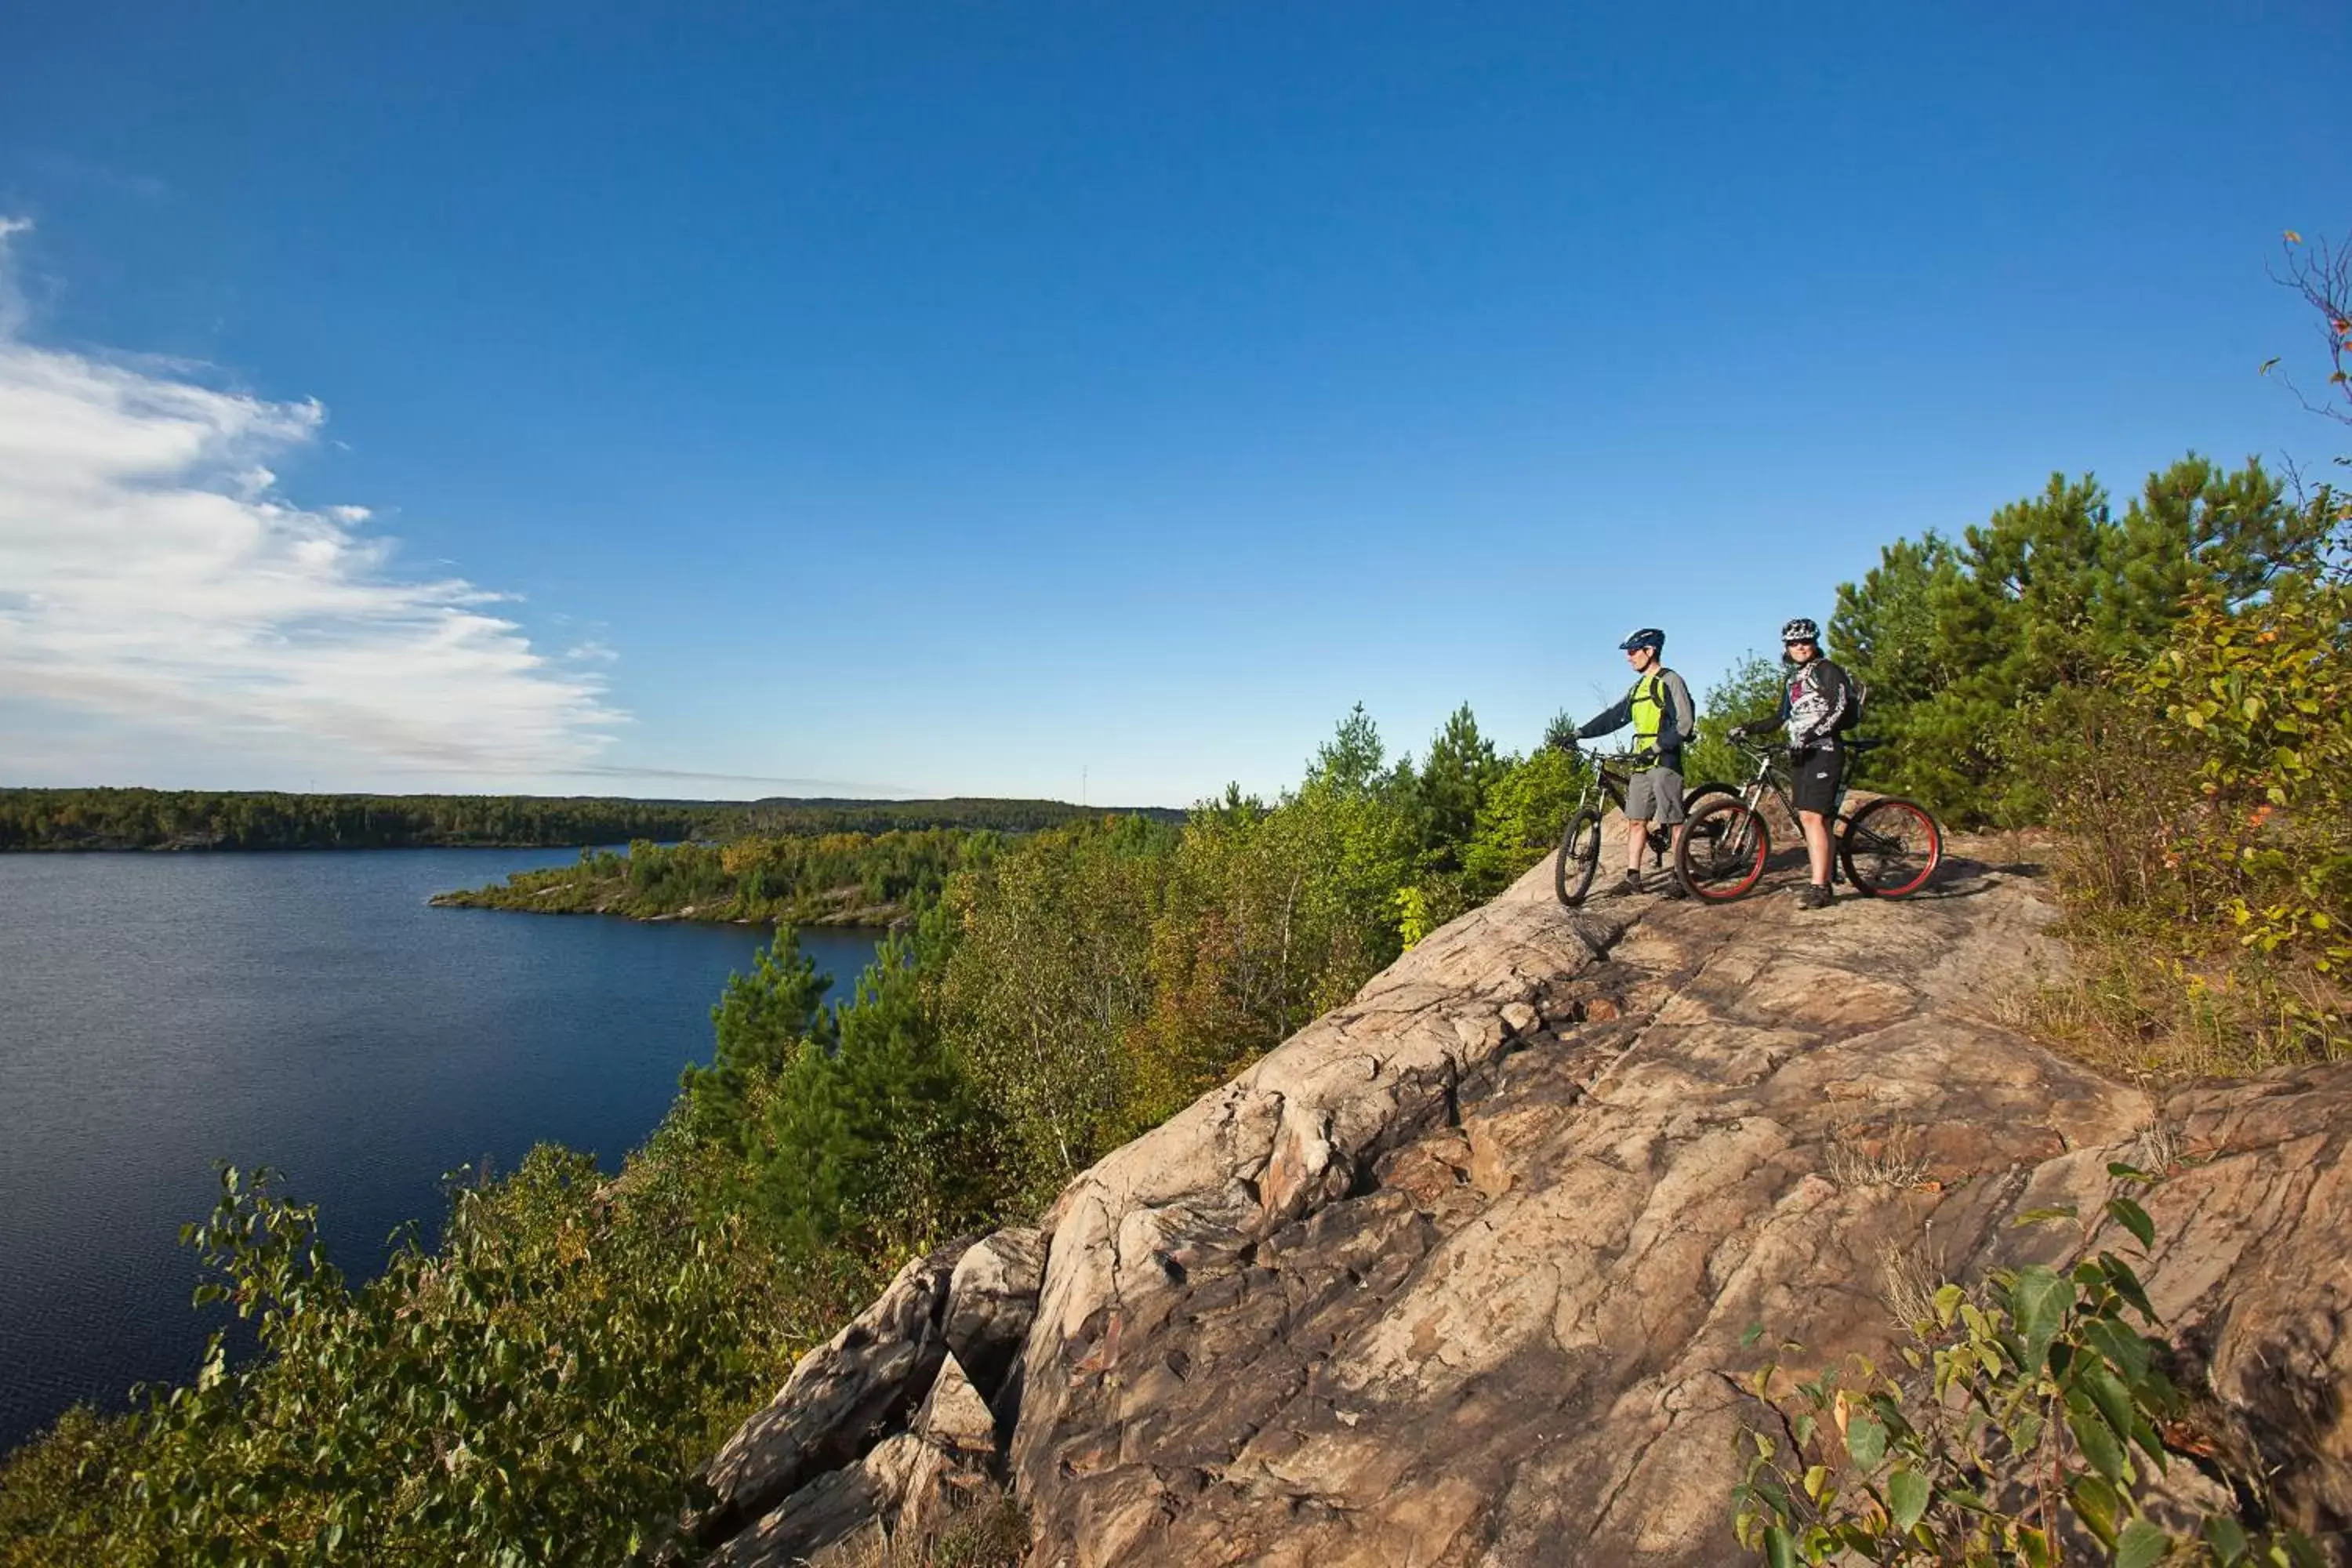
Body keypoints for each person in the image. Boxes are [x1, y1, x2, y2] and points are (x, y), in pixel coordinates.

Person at [1730, 617, 1855, 909]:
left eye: (1806, 641)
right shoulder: (1792, 680)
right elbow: (1780, 718)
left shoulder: (1827, 669)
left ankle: (1820, 887)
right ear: (1786, 647)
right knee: (1812, 818)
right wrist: (1746, 727)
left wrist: (1811, 734)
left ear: (1815, 642)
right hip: (1801, 752)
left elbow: (1839, 707)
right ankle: (1825, 874)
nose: (1800, 647)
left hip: (1824, 749)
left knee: (1813, 817)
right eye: (1794, 643)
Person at [1572, 627, 1697, 897]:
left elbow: (1685, 725)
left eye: (1632, 652)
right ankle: (1633, 878)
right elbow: (1614, 717)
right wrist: (1579, 733)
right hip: (1641, 763)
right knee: (1636, 820)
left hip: (1664, 761)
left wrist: (1656, 747)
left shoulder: (1670, 680)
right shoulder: (1639, 687)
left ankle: (1680, 878)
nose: (1628, 658)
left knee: (1674, 821)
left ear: (1649, 651)